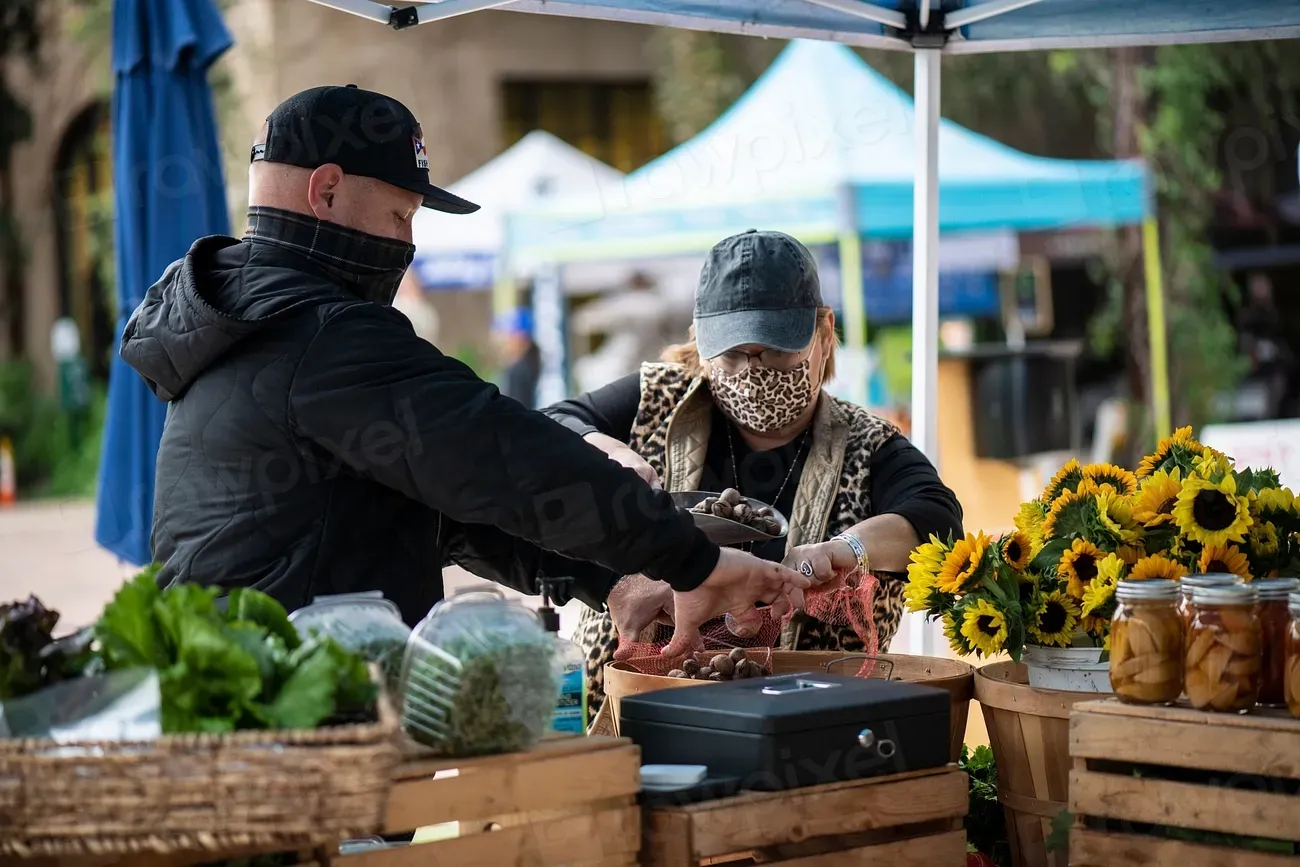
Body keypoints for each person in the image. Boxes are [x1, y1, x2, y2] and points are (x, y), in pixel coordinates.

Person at [118, 85, 809, 656]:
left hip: (249, 695)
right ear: (326, 192)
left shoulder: (249, 318)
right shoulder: (318, 333)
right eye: (400, 212)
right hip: (291, 729)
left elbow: (444, 506)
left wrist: (616, 578)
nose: (408, 242)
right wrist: (693, 560)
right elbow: (494, 453)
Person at [544, 230, 964, 713]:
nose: (754, 370)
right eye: (733, 353)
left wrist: (845, 549)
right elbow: (549, 428)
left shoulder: (868, 446)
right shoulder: (652, 401)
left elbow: (938, 519)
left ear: (824, 334)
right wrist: (604, 449)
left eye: (777, 351)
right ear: (700, 341)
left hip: (807, 722)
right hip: (632, 709)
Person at [492, 308, 542, 408]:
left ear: (521, 337)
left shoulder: (520, 370)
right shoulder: (530, 362)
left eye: (508, 335)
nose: (503, 341)